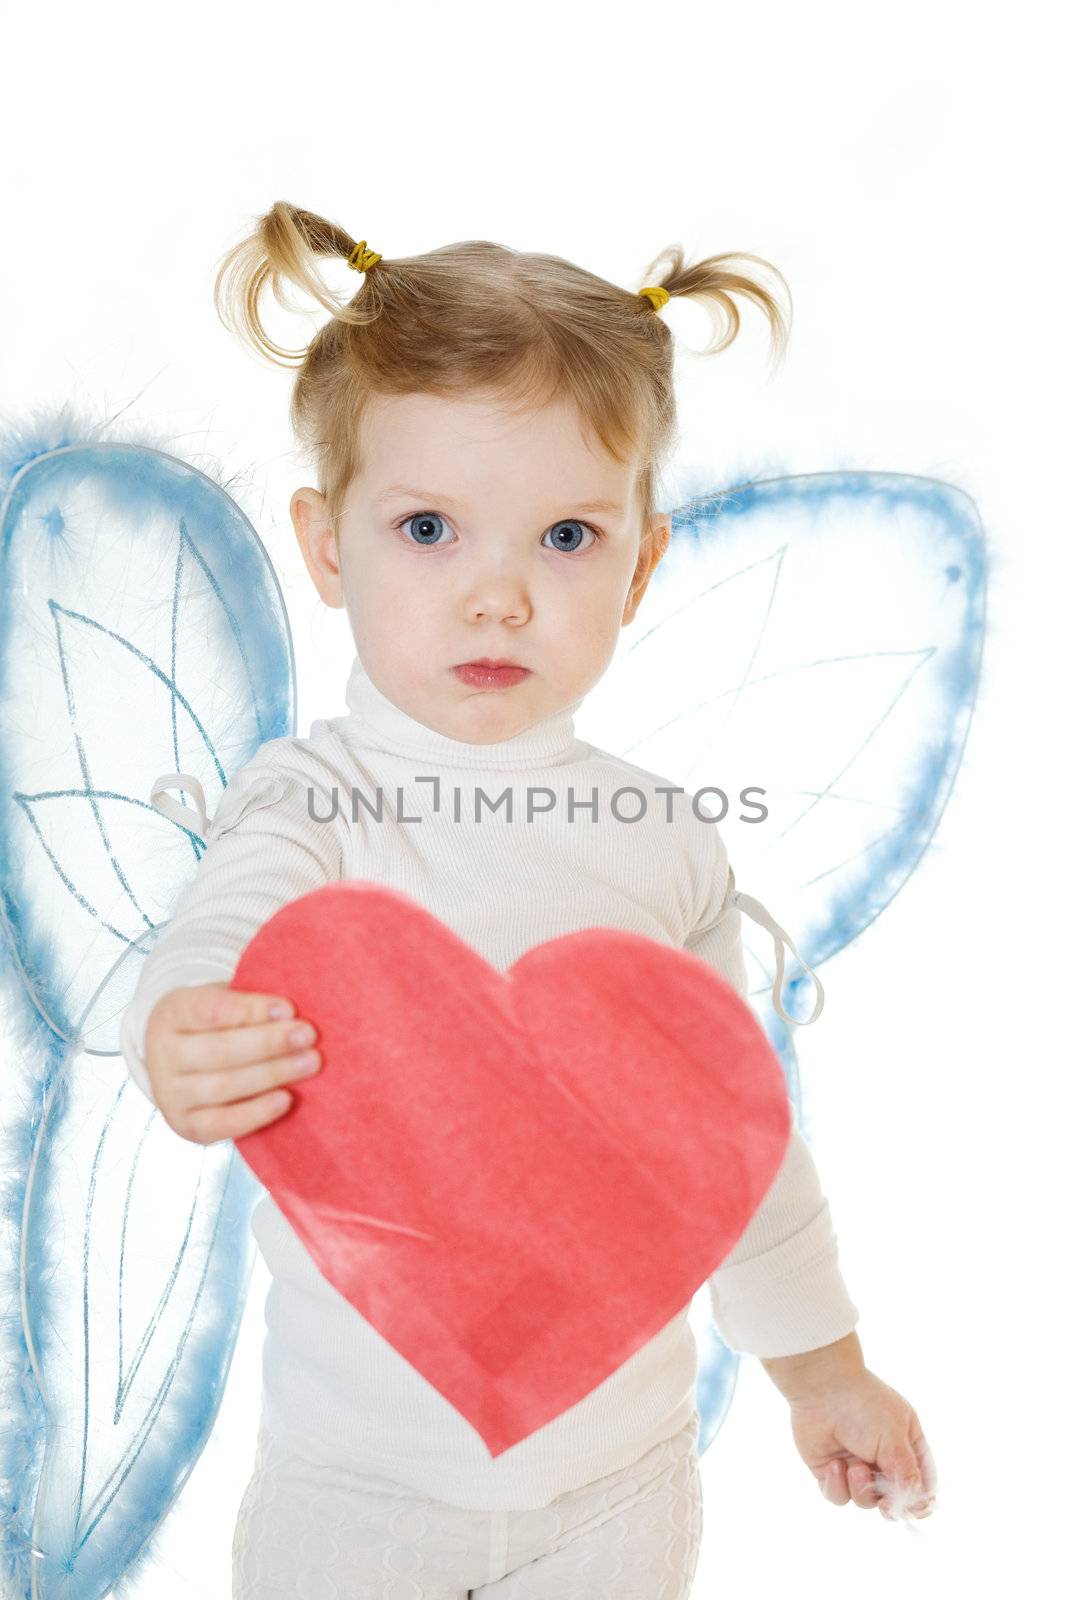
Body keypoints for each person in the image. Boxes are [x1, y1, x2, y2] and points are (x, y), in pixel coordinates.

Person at [119, 203, 935, 1598]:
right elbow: (222, 929)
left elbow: (734, 1137)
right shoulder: (310, 805)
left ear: (641, 562)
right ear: (327, 546)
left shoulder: (664, 844)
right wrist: (178, 1026)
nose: (498, 596)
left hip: (614, 1487)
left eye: (564, 537)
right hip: (352, 1490)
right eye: (429, 528)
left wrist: (822, 1366)